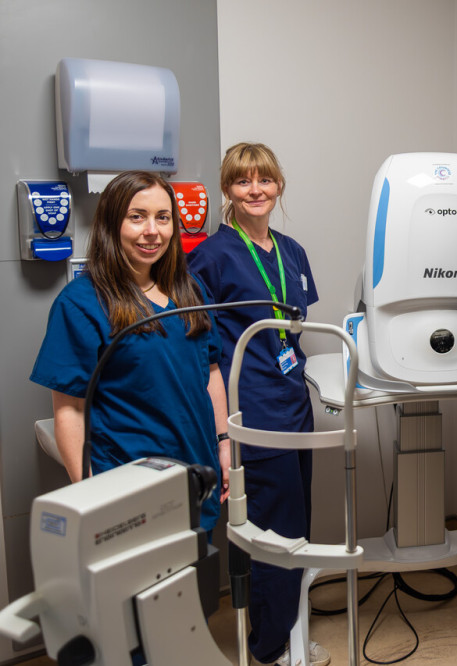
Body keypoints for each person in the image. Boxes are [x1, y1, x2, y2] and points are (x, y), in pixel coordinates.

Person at [187, 143, 328, 666]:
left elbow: (294, 332)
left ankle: (284, 633)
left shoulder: (291, 251)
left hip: (294, 406)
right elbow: (202, 352)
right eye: (243, 182)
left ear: (278, 186)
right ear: (228, 190)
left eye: (264, 180)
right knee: (275, 536)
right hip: (253, 416)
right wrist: (223, 431)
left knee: (297, 526)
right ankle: (273, 647)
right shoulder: (209, 257)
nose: (255, 190)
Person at [30, 170, 228, 533]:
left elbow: (211, 370)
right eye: (136, 217)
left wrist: (224, 444)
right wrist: (90, 495)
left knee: (193, 581)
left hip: (196, 475)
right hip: (128, 488)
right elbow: (70, 411)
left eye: (163, 217)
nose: (152, 230)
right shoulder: (82, 303)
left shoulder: (190, 289)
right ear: (111, 223)